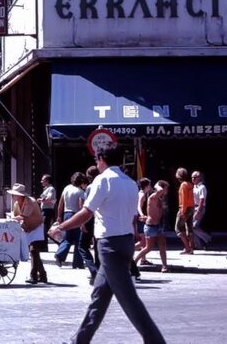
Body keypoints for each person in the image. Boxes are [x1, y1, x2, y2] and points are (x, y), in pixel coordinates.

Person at [49, 142, 165, 344]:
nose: (96, 163)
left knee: (129, 300)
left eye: (96, 159)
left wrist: (61, 227)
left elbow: (86, 213)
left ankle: (155, 340)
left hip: (109, 245)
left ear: (101, 160)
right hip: (125, 242)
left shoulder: (102, 182)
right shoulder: (130, 183)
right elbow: (131, 217)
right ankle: (79, 340)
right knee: (100, 297)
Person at [7, 183, 47, 284]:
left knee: (33, 250)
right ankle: (43, 275)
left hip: (36, 226)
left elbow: (23, 216)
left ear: (21, 195)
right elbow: (16, 215)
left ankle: (33, 276)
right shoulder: (16, 204)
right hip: (27, 228)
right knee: (34, 252)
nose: (14, 197)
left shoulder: (31, 202)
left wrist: (12, 218)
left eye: (15, 195)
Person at [135, 180, 169, 273]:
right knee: (148, 247)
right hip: (151, 226)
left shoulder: (160, 198)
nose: (166, 191)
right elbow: (160, 190)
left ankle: (164, 266)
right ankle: (134, 262)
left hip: (158, 226)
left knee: (162, 245)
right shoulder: (153, 197)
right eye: (166, 188)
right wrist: (157, 184)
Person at [55, 172, 86, 269]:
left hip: (66, 214)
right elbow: (81, 206)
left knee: (67, 238)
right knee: (78, 239)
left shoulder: (66, 188)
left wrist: (59, 216)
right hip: (76, 214)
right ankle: (77, 263)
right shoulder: (80, 192)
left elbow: (61, 204)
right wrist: (83, 220)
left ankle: (59, 255)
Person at [174, 167, 195, 255]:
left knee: (178, 228)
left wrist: (182, 211)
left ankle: (187, 248)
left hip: (185, 208)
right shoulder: (190, 184)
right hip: (191, 207)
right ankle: (191, 247)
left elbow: (184, 199)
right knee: (189, 228)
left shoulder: (183, 185)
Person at [191, 171, 211, 249]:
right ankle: (198, 245)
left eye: (195, 177)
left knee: (193, 227)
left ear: (199, 177)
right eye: (192, 177)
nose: (193, 179)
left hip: (199, 208)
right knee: (192, 228)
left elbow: (202, 199)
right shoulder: (194, 187)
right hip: (193, 208)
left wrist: (198, 211)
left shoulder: (202, 187)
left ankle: (207, 238)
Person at [135, 178, 153, 264]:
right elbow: (138, 206)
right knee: (143, 242)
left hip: (139, 218)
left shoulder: (141, 193)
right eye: (149, 185)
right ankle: (128, 250)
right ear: (146, 186)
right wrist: (142, 214)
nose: (150, 187)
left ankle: (143, 259)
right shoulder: (142, 195)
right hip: (140, 219)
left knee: (144, 242)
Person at [37, 174, 57, 246]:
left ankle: (45, 244)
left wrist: (41, 200)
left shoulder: (51, 189)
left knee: (45, 228)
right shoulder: (46, 189)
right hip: (44, 210)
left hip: (47, 210)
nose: (41, 181)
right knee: (44, 227)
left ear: (47, 181)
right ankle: (44, 245)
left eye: (43, 180)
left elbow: (49, 198)